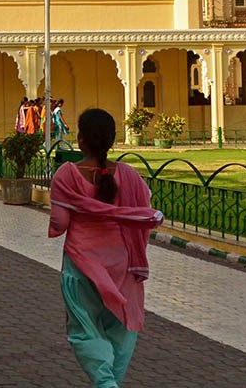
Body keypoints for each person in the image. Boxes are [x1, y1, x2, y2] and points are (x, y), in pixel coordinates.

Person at [49, 108, 163, 388]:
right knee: (121, 328)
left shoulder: (68, 174)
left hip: (82, 262)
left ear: (81, 139)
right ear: (112, 141)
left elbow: (60, 223)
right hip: (121, 263)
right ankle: (111, 382)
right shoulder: (128, 175)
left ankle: (105, 383)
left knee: (84, 328)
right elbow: (142, 210)